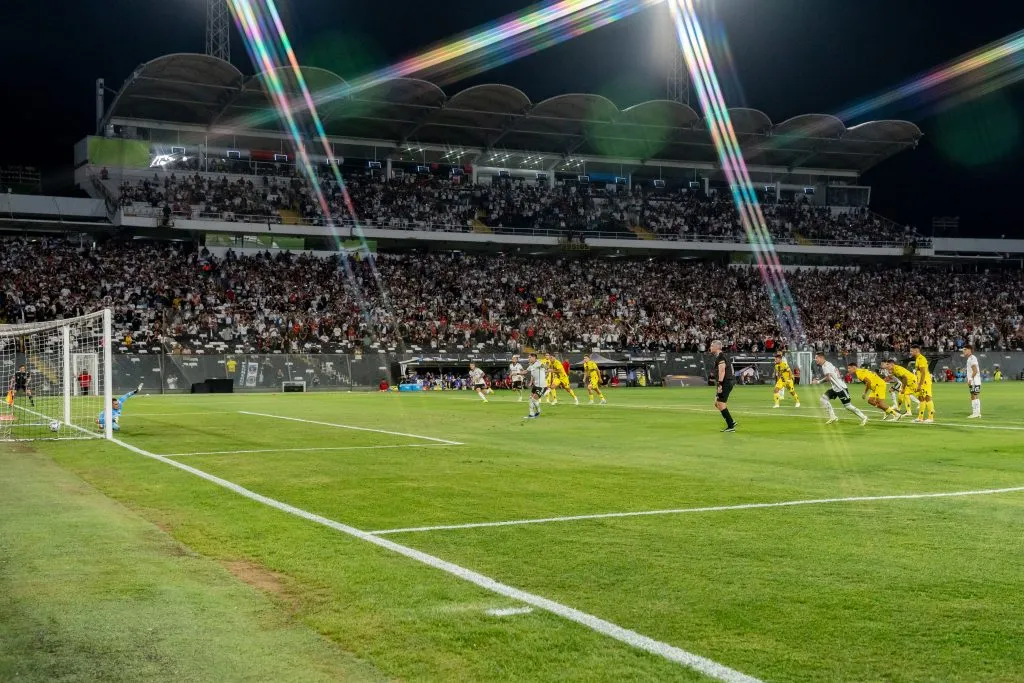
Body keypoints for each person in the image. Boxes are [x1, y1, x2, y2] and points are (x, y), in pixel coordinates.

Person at [813, 353, 868, 426]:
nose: (816, 360)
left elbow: (828, 378)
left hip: (840, 388)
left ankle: (864, 417)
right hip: (835, 387)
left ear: (821, 357)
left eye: (816, 358)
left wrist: (818, 381)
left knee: (847, 406)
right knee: (823, 399)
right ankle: (833, 417)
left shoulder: (825, 366)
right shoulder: (828, 364)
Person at [709, 340, 737, 432]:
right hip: (726, 382)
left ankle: (731, 425)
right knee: (717, 403)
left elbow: (722, 371)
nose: (710, 347)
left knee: (720, 403)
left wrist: (720, 384)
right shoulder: (722, 356)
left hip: (725, 382)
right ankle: (731, 421)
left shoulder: (721, 357)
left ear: (717, 347)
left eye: (712, 346)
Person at [910, 345, 936, 423]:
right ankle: (920, 417)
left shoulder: (921, 359)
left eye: (912, 351)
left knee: (927, 398)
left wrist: (920, 384)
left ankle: (930, 417)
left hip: (925, 381)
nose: (911, 352)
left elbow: (923, 373)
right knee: (921, 399)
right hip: (921, 381)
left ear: (916, 350)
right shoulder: (918, 359)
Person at [524, 353, 547, 420]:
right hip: (535, 385)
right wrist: (516, 373)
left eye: (530, 357)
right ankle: (537, 411)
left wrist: (546, 366)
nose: (529, 358)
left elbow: (544, 366)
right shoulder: (531, 365)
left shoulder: (538, 363)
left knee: (532, 399)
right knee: (531, 399)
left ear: (534, 357)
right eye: (528, 357)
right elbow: (526, 371)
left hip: (541, 386)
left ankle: (532, 414)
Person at [962, 345, 981, 418]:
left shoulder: (972, 358)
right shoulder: (970, 358)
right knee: (975, 395)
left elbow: (975, 371)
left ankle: (975, 413)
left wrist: (970, 379)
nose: (963, 351)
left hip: (975, 380)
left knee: (974, 395)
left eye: (965, 349)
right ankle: (977, 412)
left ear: (969, 350)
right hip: (975, 380)